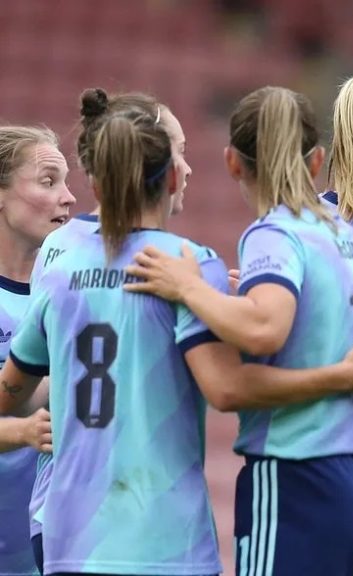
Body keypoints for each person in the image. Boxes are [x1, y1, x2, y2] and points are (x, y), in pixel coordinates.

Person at [125, 86, 353, 576]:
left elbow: (263, 331)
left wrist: (191, 288)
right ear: (317, 161)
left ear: (233, 162)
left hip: (302, 474)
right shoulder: (338, 232)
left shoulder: (275, 232)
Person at [24, 86, 191, 574]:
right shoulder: (171, 260)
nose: (186, 167)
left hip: (65, 509)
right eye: (177, 151)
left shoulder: (64, 250)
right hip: (115, 514)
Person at [0, 125, 73, 576]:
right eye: (48, 181)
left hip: (49, 549)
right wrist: (23, 433)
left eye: (67, 182)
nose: (68, 197)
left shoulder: (73, 291)